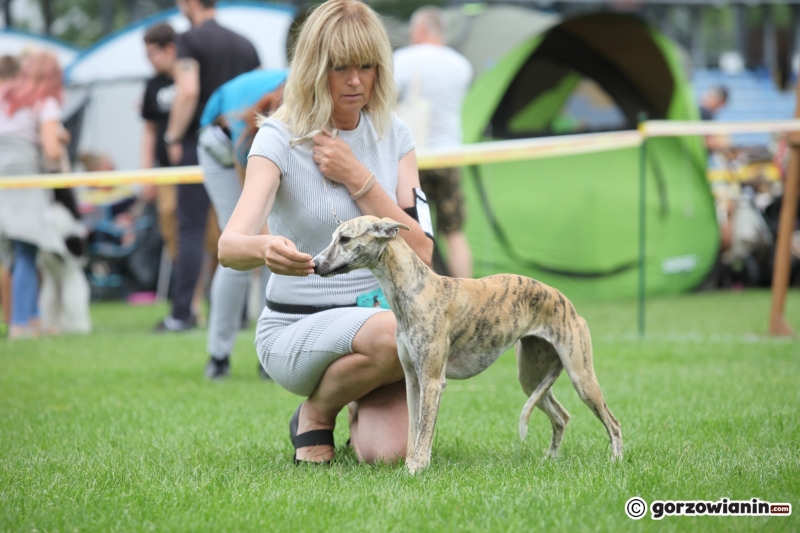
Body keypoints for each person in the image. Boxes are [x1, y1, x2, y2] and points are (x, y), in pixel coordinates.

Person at [218, 0, 433, 464]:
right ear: (315, 68)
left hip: (379, 327)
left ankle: (357, 391)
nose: (356, 81)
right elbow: (229, 247)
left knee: (389, 455)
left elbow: (423, 252)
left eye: (366, 66)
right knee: (397, 332)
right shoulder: (277, 137)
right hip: (296, 329)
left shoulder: (395, 134)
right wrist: (264, 247)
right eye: (340, 67)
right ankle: (316, 412)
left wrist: (358, 178)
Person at [155, 0, 260, 332]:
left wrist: (172, 136)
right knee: (240, 229)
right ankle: (239, 314)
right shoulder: (246, 44)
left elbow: (188, 91)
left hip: (203, 145)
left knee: (190, 229)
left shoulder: (189, 40)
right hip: (243, 146)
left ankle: (182, 313)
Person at [198, 68, 287, 379]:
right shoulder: (248, 123)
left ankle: (269, 354)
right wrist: (259, 240)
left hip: (261, 137)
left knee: (277, 245)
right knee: (240, 251)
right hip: (221, 145)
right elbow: (248, 198)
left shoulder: (313, 92)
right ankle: (218, 356)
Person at [393, 6, 473, 278]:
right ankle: (467, 292)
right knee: (454, 231)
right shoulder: (461, 65)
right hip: (450, 156)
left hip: (414, 158)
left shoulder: (403, 60)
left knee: (417, 232)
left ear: (420, 29)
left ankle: (428, 292)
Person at [0, 51, 69, 339]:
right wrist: (60, 143)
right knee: (27, 249)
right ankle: (20, 324)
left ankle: (33, 319)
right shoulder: (45, 101)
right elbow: (51, 152)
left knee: (15, 252)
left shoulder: (6, 96)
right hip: (23, 176)